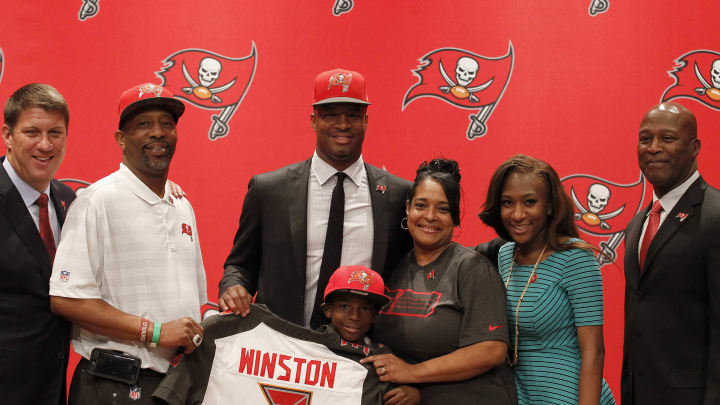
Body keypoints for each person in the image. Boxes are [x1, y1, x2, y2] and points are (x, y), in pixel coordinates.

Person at [49, 83, 207, 404]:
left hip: (176, 384)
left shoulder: (182, 205)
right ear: (121, 139)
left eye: (166, 123)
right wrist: (157, 332)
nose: (158, 133)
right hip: (112, 385)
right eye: (144, 124)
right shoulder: (96, 201)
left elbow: (190, 303)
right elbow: (67, 299)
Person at [220, 68, 412, 328]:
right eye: (330, 115)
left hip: (360, 352)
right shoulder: (269, 189)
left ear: (366, 121)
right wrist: (233, 286)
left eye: (353, 116)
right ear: (313, 120)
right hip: (283, 349)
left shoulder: (398, 194)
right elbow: (241, 265)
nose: (342, 125)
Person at [365, 158, 517, 404]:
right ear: (408, 208)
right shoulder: (394, 266)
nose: (430, 216)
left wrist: (412, 373)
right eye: (421, 205)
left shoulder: (472, 268)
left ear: (455, 218)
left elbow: (491, 350)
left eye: (443, 209)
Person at [478, 154, 615, 405]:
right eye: (508, 202)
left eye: (530, 202)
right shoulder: (505, 255)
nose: (517, 214)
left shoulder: (575, 258)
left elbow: (593, 352)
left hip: (571, 396)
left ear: (549, 205)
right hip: (520, 395)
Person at [621, 102, 720, 404]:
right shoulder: (638, 223)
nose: (653, 148)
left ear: (695, 147)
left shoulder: (715, 215)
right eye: (645, 138)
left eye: (667, 138)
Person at [0, 83, 75, 405]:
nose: (45, 145)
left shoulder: (68, 201)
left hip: (52, 387)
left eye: (55, 133)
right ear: (7, 136)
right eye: (32, 132)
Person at [320, 265, 420, 405]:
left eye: (365, 308)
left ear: (374, 316)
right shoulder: (308, 345)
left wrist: (411, 393)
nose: (355, 316)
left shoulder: (382, 356)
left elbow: (401, 389)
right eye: (345, 306)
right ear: (328, 310)